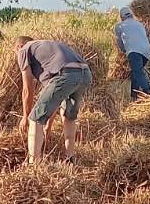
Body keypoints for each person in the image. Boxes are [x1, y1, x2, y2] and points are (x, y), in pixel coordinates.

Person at [15, 35, 93, 163]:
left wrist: (25, 116)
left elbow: (27, 90)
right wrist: (48, 127)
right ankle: (69, 158)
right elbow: (54, 100)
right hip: (85, 73)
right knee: (69, 116)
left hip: (66, 74)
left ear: (18, 46)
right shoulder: (46, 50)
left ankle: (33, 165)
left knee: (35, 118)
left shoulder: (23, 50)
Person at [114, 6, 150, 99]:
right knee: (135, 72)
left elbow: (119, 41)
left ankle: (148, 91)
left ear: (121, 17)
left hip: (134, 51)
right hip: (147, 50)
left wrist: (123, 51)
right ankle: (134, 94)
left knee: (137, 72)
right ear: (131, 15)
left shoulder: (119, 26)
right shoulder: (139, 24)